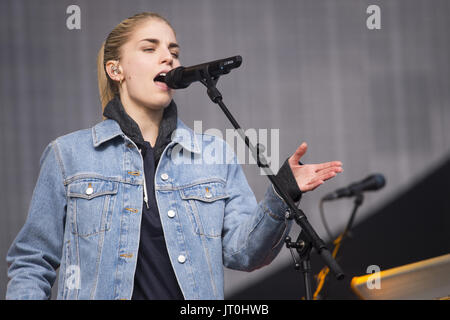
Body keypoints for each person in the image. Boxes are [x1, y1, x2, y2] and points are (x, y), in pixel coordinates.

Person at [6, 12, 343, 300]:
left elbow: (245, 253)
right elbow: (32, 261)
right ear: (116, 69)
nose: (168, 58)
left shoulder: (213, 154)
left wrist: (283, 192)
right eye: (150, 48)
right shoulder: (68, 155)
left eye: (173, 50)